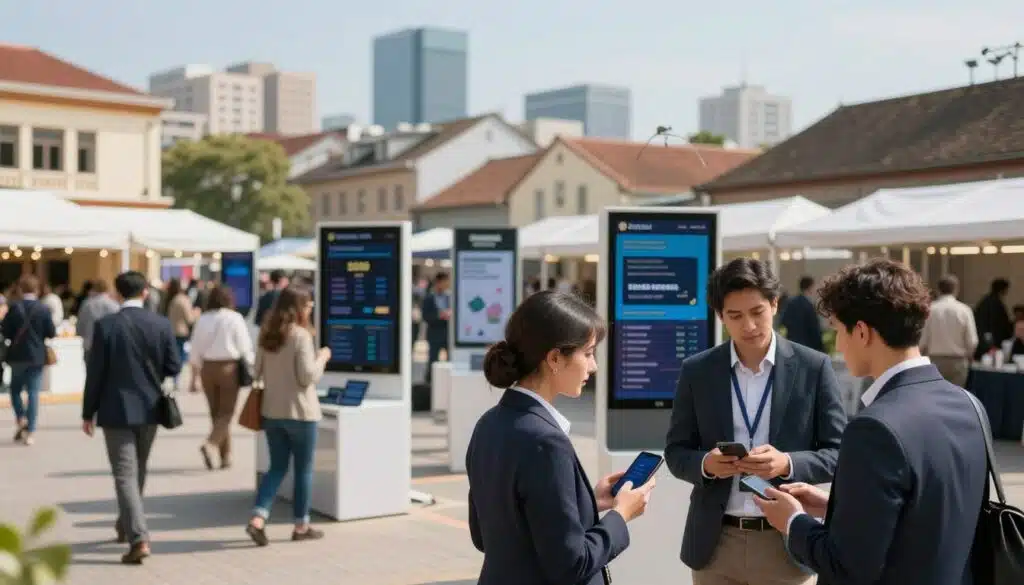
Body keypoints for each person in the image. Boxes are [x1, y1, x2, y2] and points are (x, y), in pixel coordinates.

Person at [754, 258, 988, 585]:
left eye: (837, 329)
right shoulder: (970, 406)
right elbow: (935, 514)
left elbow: (847, 565)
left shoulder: (875, 427)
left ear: (861, 332)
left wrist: (792, 521)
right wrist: (836, 507)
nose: (838, 343)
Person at [664, 257, 847, 585]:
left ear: (774, 305)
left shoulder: (812, 368)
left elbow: (838, 453)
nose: (748, 325)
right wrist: (706, 464)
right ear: (721, 317)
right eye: (735, 316)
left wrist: (787, 463)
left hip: (785, 542)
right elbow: (676, 452)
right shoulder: (698, 371)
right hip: (716, 544)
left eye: (757, 312)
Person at [466, 290, 654, 585]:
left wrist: (587, 501)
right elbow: (571, 565)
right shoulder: (546, 441)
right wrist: (621, 516)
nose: (593, 366)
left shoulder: (488, 424)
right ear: (554, 358)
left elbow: (485, 535)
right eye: (588, 353)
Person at [81, 271, 182, 564]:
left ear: (117, 294)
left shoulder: (106, 326)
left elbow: (95, 373)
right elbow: (173, 365)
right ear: (146, 293)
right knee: (137, 470)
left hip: (115, 410)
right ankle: (128, 523)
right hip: (151, 409)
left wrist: (88, 412)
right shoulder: (160, 324)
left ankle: (138, 536)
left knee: (125, 474)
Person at [246, 287, 330, 546]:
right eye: (309, 304)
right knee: (303, 470)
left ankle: (258, 518)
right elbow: (308, 377)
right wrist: (322, 358)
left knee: (277, 468)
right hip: (301, 413)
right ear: (299, 307)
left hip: (272, 412)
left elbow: (255, 372)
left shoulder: (266, 333)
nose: (311, 309)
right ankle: (301, 525)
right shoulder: (301, 336)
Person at [188, 285, 255, 470]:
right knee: (227, 413)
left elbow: (195, 350)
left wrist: (193, 378)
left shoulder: (203, 319)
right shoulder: (234, 318)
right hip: (229, 367)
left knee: (216, 412)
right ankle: (211, 444)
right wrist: (253, 367)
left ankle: (225, 456)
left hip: (207, 368)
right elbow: (245, 347)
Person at [1, 275, 57, 446]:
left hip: (17, 355)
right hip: (36, 356)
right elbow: (51, 332)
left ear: (20, 289)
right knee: (33, 392)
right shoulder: (43, 308)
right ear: (37, 290)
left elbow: (6, 331)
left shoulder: (14, 307)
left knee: (15, 390)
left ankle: (21, 417)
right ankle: (31, 430)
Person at [920, 275, 977, 387]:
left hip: (934, 361)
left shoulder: (930, 309)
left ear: (938, 289)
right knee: (955, 397)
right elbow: (972, 341)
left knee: (934, 395)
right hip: (958, 362)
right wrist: (969, 356)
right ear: (956, 289)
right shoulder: (964, 310)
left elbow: (922, 340)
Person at [76, 279, 120, 364]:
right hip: (108, 345)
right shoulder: (113, 305)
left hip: (90, 344)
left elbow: (80, 325)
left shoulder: (87, 304)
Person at [780, 276, 825, 352]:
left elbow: (783, 321)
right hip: (807, 348)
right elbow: (814, 330)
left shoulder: (791, 303)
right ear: (810, 287)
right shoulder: (809, 306)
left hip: (792, 345)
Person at [421, 272, 451, 383]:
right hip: (434, 334)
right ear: (438, 282)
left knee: (451, 361)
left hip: (448, 334)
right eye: (445, 282)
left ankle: (447, 382)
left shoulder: (450, 297)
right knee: (432, 361)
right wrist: (439, 316)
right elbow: (425, 316)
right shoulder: (429, 298)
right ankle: (429, 384)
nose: (447, 284)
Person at [973, 278, 1012, 358]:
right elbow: (997, 325)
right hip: (991, 342)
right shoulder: (996, 304)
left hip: (982, 340)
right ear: (1003, 290)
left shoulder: (984, 302)